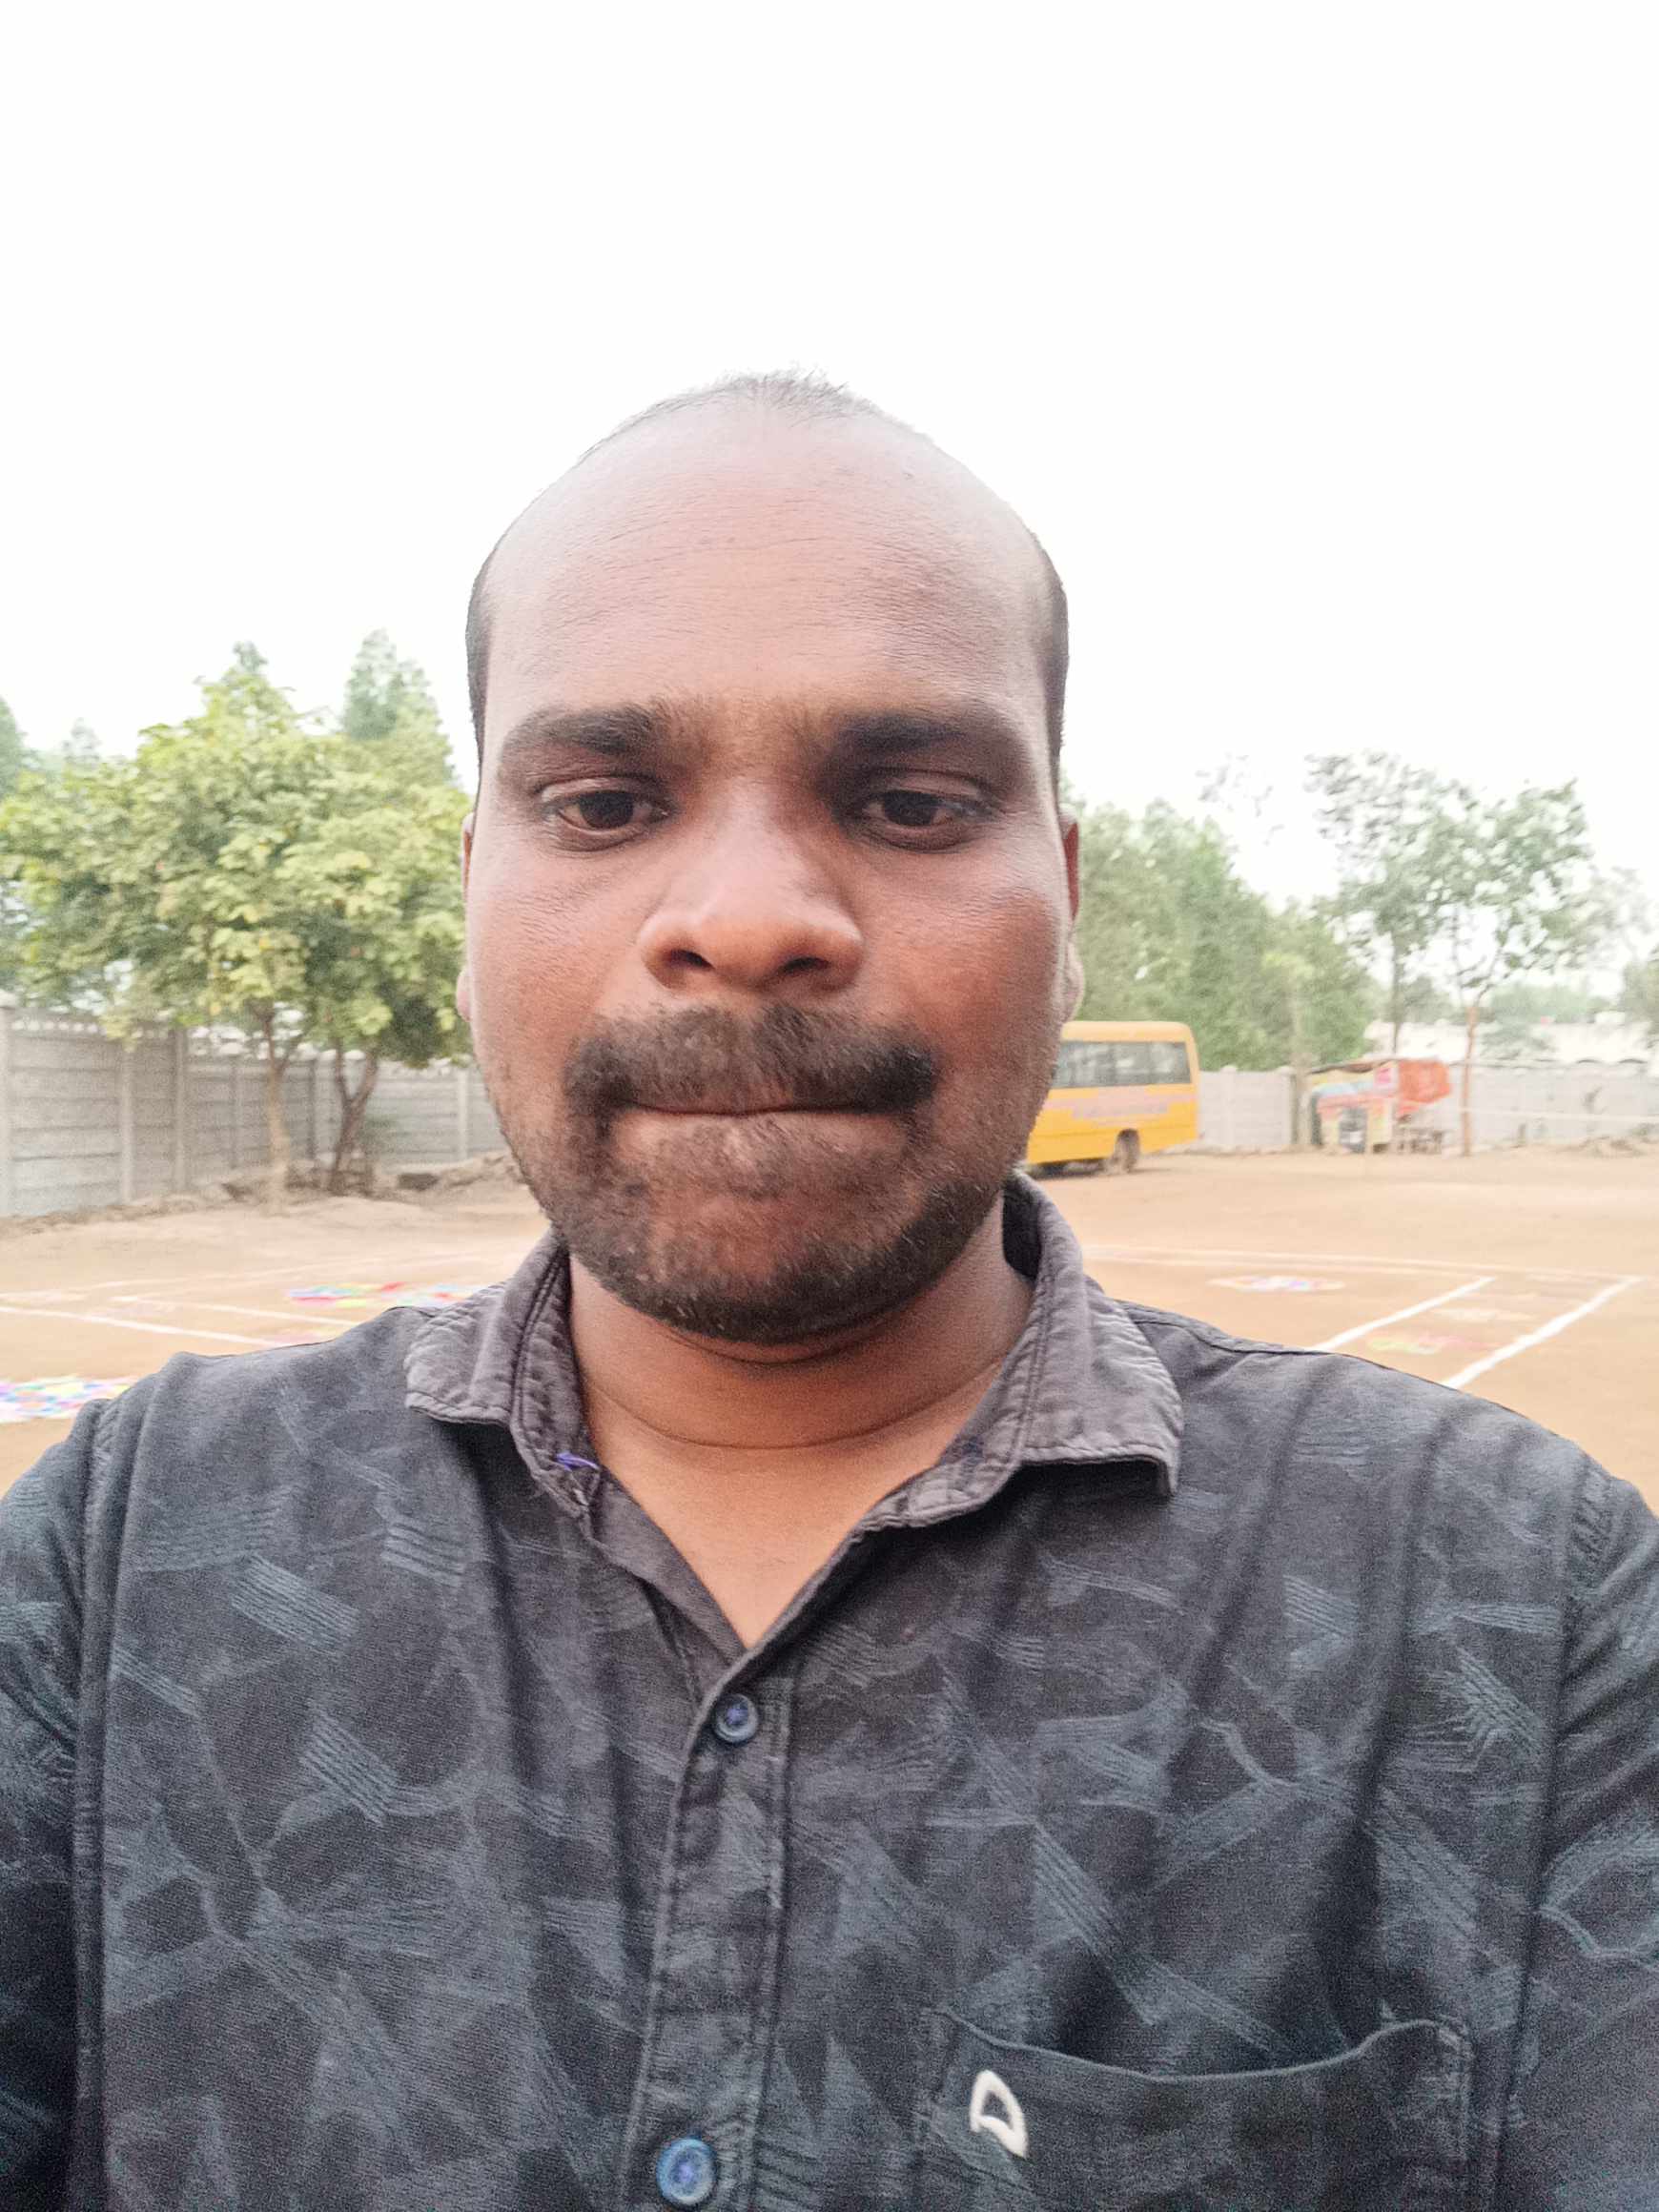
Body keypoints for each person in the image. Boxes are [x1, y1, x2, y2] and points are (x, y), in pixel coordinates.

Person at [1, 376, 1654, 2212]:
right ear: (473, 888)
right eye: (604, 802)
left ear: (1066, 898)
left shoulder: (1513, 1604)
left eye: (914, 803)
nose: (750, 918)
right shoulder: (132, 1550)